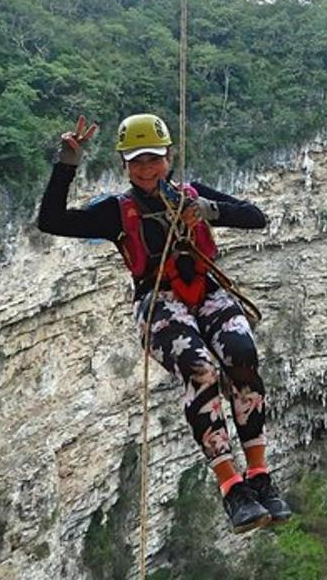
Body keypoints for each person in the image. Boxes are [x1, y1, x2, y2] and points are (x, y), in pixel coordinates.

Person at [37, 113, 291, 534]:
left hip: (207, 290)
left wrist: (208, 211)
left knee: (243, 356)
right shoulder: (116, 212)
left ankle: (260, 475)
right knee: (201, 370)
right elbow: (53, 221)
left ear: (168, 157)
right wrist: (67, 164)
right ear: (125, 165)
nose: (147, 168)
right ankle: (231, 486)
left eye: (153, 158)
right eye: (137, 161)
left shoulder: (190, 196)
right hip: (158, 301)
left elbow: (254, 216)